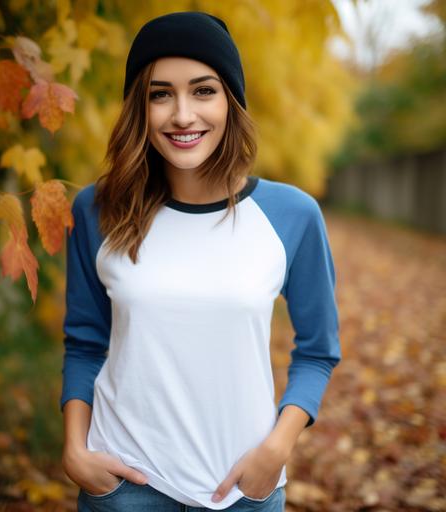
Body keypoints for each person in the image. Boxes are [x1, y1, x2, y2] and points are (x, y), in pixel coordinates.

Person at [60, 10, 341, 512]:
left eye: (204, 90)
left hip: (243, 489)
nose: (182, 114)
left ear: (231, 102)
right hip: (124, 488)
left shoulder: (290, 215)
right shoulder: (99, 210)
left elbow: (318, 350)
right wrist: (75, 452)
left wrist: (277, 449)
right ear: (138, 109)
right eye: (160, 93)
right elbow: (85, 342)